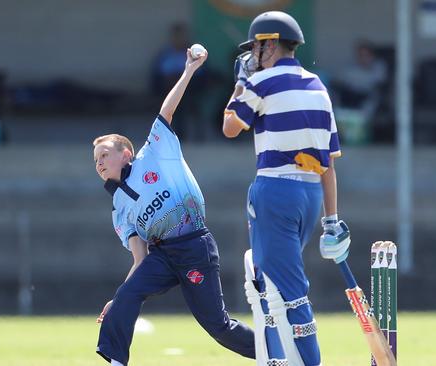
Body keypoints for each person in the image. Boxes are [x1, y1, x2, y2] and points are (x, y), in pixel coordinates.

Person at [93, 47, 254, 366]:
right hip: (162, 255)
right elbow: (140, 258)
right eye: (95, 160)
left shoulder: (153, 152)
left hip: (195, 245)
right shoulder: (119, 207)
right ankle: (115, 361)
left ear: (126, 154)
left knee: (218, 327)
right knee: (126, 294)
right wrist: (121, 299)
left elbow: (166, 111)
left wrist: (189, 71)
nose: (99, 163)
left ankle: (276, 353)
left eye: (104, 155)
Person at [222, 11, 351, 366]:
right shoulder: (317, 85)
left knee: (289, 293)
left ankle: (309, 363)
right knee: (270, 285)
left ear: (272, 44)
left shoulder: (260, 83)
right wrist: (331, 220)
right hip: (310, 197)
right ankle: (277, 359)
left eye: (257, 47)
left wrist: (239, 87)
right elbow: (328, 164)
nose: (253, 56)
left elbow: (230, 128)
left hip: (275, 191)